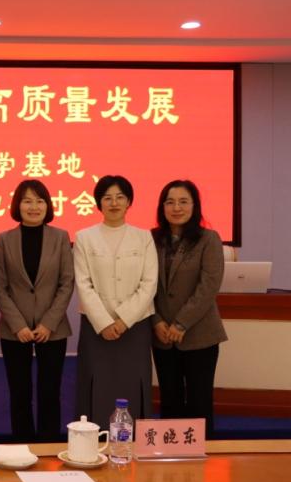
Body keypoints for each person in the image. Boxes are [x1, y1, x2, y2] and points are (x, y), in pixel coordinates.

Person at [0, 179, 74, 444]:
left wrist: (49, 323)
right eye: (27, 201)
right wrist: (18, 325)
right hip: (15, 330)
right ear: (18, 205)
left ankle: (48, 447)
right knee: (20, 393)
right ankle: (22, 446)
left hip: (53, 329)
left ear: (48, 205)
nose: (34, 207)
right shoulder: (4, 240)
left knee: (50, 392)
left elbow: (66, 283)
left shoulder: (60, 237)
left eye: (39, 201)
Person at [73, 175, 158, 429]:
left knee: (134, 383)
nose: (114, 203)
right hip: (96, 327)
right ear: (98, 203)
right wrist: (104, 322)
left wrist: (124, 320)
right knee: (96, 384)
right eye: (107, 198)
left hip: (135, 326)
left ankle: (134, 440)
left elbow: (149, 283)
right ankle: (93, 437)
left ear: (129, 201)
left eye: (120, 197)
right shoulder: (85, 237)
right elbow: (83, 284)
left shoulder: (143, 237)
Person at [150, 180, 226, 437]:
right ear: (162, 207)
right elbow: (144, 284)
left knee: (199, 400)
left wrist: (181, 323)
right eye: (170, 202)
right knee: (169, 399)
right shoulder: (151, 239)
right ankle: (170, 453)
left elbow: (209, 286)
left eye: (183, 202)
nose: (176, 208)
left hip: (199, 334)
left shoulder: (208, 239)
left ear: (195, 206)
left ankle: (202, 453)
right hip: (162, 335)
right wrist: (156, 321)